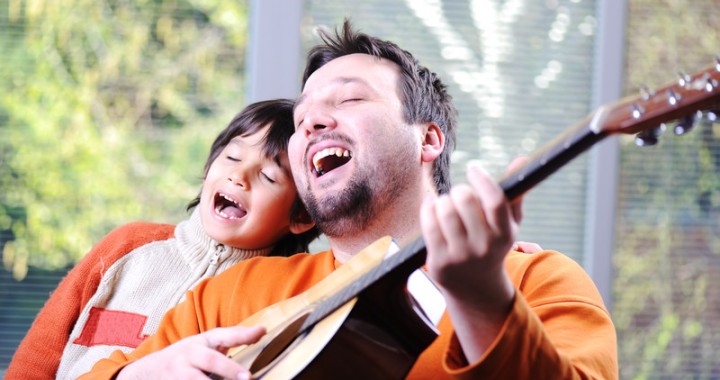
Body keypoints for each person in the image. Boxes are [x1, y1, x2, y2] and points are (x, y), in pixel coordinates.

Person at [82, 21, 618, 379]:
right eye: (300, 119)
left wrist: (483, 300)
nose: (311, 120)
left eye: (351, 98)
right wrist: (138, 373)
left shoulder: (537, 281)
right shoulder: (231, 297)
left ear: (428, 139)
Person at [5, 99, 319, 380]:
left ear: (302, 217)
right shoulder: (128, 245)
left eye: (268, 177)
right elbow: (37, 357)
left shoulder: (278, 299)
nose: (239, 176)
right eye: (233, 157)